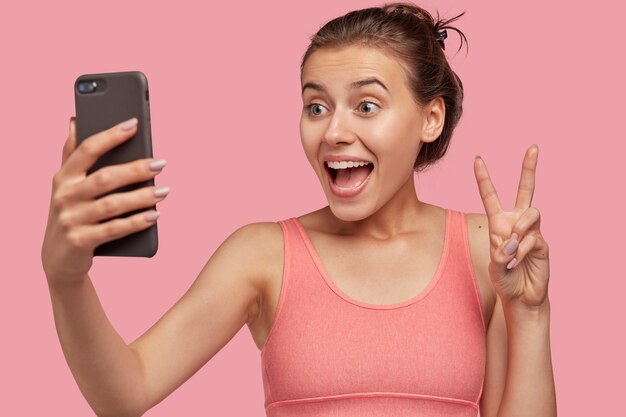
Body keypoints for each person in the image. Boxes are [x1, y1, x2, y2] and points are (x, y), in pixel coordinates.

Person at [41, 2, 556, 416]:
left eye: (366, 106)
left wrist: (530, 313)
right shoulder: (262, 255)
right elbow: (125, 394)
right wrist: (65, 277)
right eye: (316, 106)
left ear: (431, 118)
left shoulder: (484, 251)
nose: (333, 131)